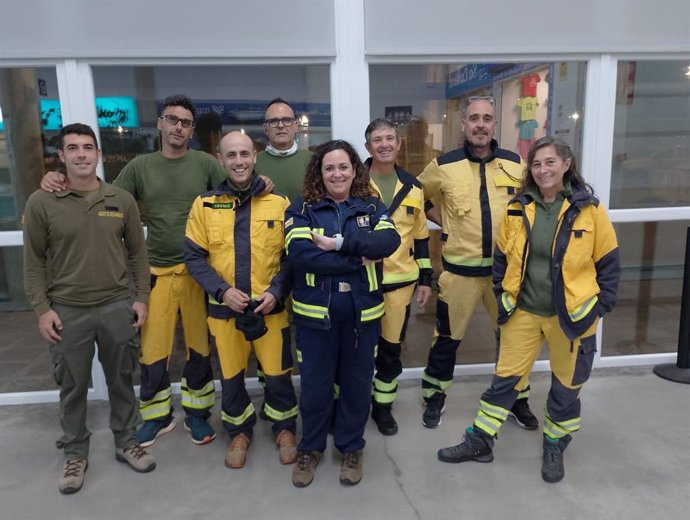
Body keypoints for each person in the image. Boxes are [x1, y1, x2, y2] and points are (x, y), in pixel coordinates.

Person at [41, 95, 228, 447]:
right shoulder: (141, 167)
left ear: (191, 130)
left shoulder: (205, 164)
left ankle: (198, 414)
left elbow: (233, 196)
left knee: (199, 348)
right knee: (153, 350)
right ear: (160, 123)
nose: (178, 127)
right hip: (155, 272)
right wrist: (57, 178)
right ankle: (157, 416)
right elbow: (105, 196)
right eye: (172, 120)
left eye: (186, 123)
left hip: (198, 273)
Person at [437, 136, 620, 483]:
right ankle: (481, 440)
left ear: (566, 164)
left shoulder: (590, 210)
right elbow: (503, 258)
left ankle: (555, 441)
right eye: (536, 164)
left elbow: (609, 263)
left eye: (550, 162)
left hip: (573, 317)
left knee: (566, 386)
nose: (542, 170)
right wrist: (502, 293)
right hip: (523, 312)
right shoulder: (518, 207)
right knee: (504, 381)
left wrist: (600, 306)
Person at [23, 123, 156, 494]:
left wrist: (140, 297)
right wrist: (42, 309)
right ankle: (75, 452)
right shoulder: (42, 203)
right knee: (73, 385)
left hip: (116, 307)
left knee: (122, 380)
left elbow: (138, 255)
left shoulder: (120, 200)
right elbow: (33, 262)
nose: (81, 154)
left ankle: (126, 441)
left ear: (98, 154)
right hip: (68, 312)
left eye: (87, 147)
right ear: (61, 156)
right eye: (73, 148)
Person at [285, 140, 400, 488]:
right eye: (329, 168)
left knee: (356, 385)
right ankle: (310, 449)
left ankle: (351, 448)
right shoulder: (302, 209)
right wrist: (356, 257)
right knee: (316, 388)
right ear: (319, 173)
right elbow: (302, 256)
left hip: (361, 317)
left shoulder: (371, 206)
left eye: (343, 167)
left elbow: (387, 244)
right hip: (314, 318)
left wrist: (338, 244)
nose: (337, 173)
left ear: (354, 170)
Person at [418, 95, 538, 430]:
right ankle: (434, 395)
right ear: (464, 124)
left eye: (487, 118)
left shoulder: (516, 164)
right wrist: (444, 220)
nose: (481, 124)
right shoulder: (444, 166)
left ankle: (517, 399)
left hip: (505, 276)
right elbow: (416, 196)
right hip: (459, 274)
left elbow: (535, 203)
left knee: (513, 341)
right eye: (474, 118)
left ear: (494, 124)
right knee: (446, 338)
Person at [184, 131, 298, 469]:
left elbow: (294, 257)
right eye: (231, 155)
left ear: (255, 157)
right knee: (231, 376)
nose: (239, 161)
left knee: (278, 373)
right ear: (220, 159)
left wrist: (277, 291)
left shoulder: (280, 204)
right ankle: (238, 431)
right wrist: (221, 290)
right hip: (224, 312)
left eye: (244, 154)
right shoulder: (204, 204)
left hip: (271, 310)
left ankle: (285, 428)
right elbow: (193, 257)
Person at [363, 118, 433, 435]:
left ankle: (382, 407)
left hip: (399, 285)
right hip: (361, 283)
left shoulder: (414, 187)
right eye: (377, 140)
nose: (384, 145)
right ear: (368, 147)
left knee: (391, 349)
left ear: (399, 144)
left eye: (389, 138)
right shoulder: (353, 183)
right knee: (356, 348)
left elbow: (420, 237)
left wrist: (426, 280)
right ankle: (349, 403)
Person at [255, 97, 312, 201]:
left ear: (296, 126)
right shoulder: (252, 162)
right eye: (273, 121)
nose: (280, 126)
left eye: (286, 120)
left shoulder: (314, 160)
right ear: (265, 129)